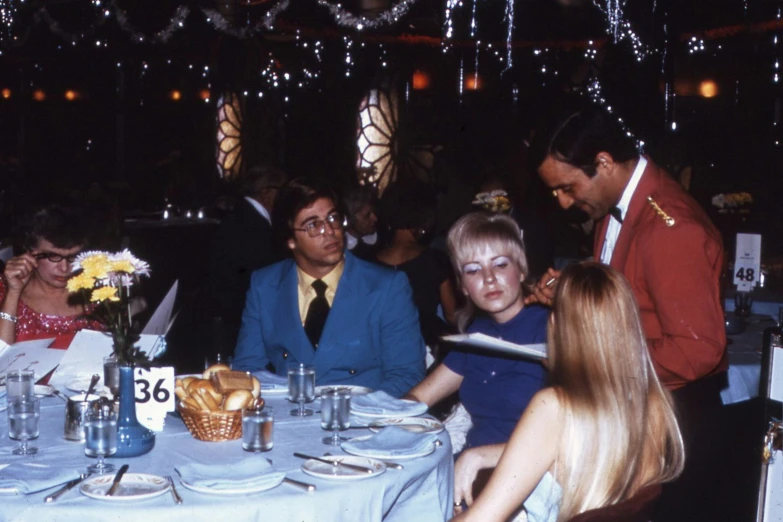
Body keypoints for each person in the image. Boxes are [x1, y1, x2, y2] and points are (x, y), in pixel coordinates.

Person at [527, 104, 726, 521]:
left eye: (567, 188)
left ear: (604, 162)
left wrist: (599, 365)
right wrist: (573, 294)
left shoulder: (671, 226)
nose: (563, 204)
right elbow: (631, 295)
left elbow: (698, 349)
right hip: (635, 410)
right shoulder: (619, 206)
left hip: (672, 422)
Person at [452, 262, 684, 522]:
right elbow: (581, 445)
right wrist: (480, 454)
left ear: (555, 325)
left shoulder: (554, 407)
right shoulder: (655, 402)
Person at [232, 178, 425, 397]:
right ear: (290, 240)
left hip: (360, 420)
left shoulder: (386, 287)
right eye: (313, 225)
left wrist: (342, 410)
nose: (330, 230)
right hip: (290, 417)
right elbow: (247, 369)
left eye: (333, 218)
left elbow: (407, 375)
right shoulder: (265, 285)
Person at [405, 212, 548, 449]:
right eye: (473, 270)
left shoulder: (551, 328)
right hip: (471, 467)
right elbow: (418, 398)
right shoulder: (478, 334)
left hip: (528, 473)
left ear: (521, 270)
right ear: (463, 287)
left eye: (500, 264)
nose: (489, 278)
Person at [207, 165, 288, 350]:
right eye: (282, 192)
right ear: (266, 193)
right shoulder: (252, 226)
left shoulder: (243, 216)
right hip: (240, 320)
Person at [0, 206, 104, 344]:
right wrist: (13, 293)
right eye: (54, 256)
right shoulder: (5, 289)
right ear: (31, 252)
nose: (65, 268)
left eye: (73, 257)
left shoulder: (100, 292)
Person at [376, 183, 458, 349]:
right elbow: (452, 315)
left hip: (382, 347)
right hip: (425, 347)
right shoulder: (435, 260)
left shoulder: (369, 263)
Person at [342, 183, 380, 262]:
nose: (375, 218)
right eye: (367, 216)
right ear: (350, 219)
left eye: (374, 212)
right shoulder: (340, 248)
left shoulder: (385, 238)